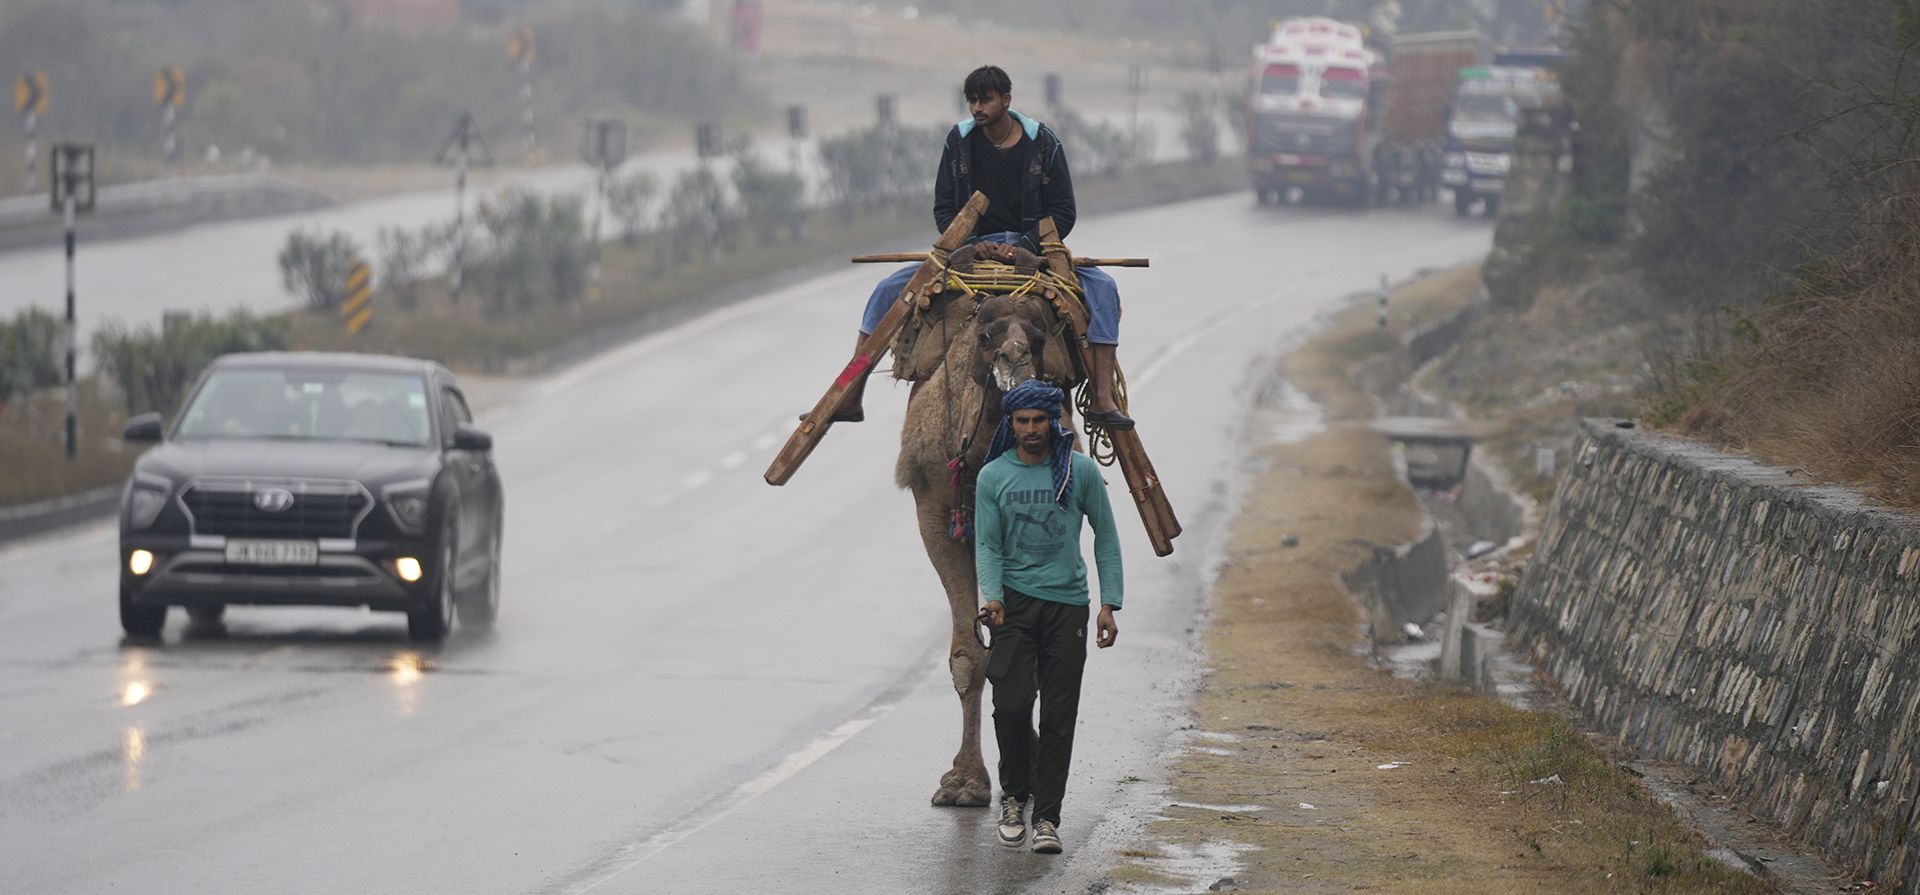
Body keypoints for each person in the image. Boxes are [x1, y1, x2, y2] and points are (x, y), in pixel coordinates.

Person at [830, 65, 1133, 431]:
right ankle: (850, 394)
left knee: (1104, 288)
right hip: (967, 254)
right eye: (972, 100)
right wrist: (973, 245)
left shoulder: (1044, 143)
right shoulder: (958, 142)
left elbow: (1064, 212)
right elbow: (944, 208)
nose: (978, 107)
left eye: (985, 99)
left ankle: (1102, 398)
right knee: (885, 292)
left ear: (1006, 100)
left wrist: (1023, 245)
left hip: (1034, 253)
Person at [974, 378, 1123, 854]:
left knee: (1059, 715)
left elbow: (1106, 536)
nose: (1033, 429)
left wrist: (1109, 603)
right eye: (1023, 421)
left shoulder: (1078, 472)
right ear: (1011, 424)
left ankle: (1047, 818)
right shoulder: (994, 476)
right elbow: (988, 544)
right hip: (1013, 608)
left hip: (1067, 607)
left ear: (1055, 420)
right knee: (1012, 706)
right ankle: (1014, 796)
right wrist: (993, 597)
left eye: (1041, 420)